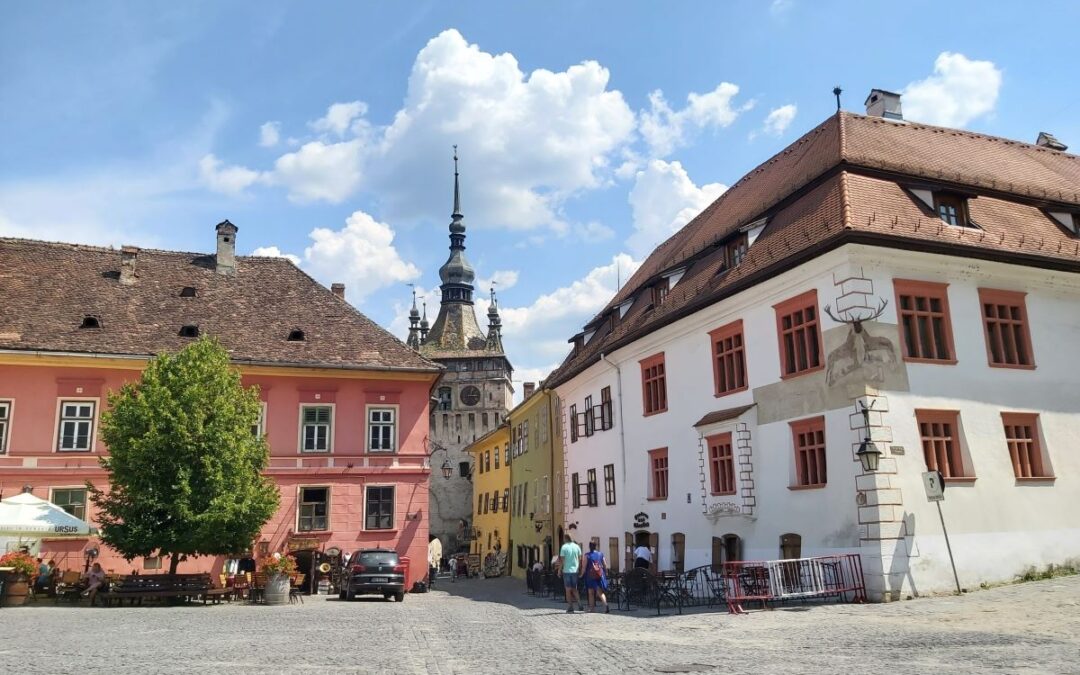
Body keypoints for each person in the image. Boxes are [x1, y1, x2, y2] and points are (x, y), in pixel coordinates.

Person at [556, 534, 584, 613]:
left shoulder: (564, 547)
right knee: (574, 588)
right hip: (575, 571)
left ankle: (570, 606)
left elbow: (562, 560)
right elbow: (579, 559)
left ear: (565, 539)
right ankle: (580, 604)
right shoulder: (577, 547)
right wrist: (579, 568)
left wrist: (559, 570)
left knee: (568, 589)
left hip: (567, 571)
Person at [583, 542, 610, 613]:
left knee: (591, 592)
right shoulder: (600, 554)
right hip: (599, 575)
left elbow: (584, 566)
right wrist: (606, 573)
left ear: (589, 547)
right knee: (600, 592)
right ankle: (606, 604)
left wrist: (581, 574)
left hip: (590, 576)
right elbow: (605, 564)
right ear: (596, 546)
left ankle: (592, 608)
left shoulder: (587, 555)